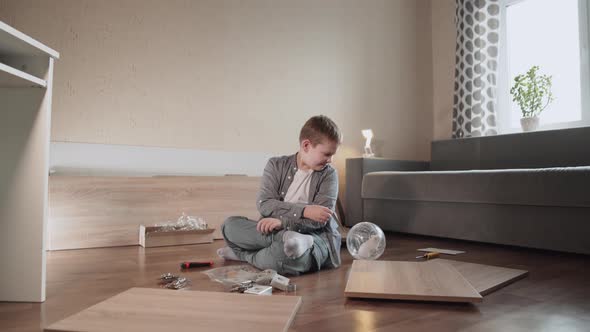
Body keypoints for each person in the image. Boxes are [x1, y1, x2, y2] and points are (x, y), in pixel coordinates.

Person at [217, 115, 342, 275]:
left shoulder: (329, 175)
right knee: (229, 226)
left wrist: (282, 222)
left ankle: (243, 254)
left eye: (332, 155)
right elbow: (265, 204)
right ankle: (284, 242)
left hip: (315, 238)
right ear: (306, 145)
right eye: (326, 154)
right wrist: (304, 211)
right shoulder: (276, 165)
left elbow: (319, 220)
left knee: (281, 258)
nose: (330, 160)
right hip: (275, 232)